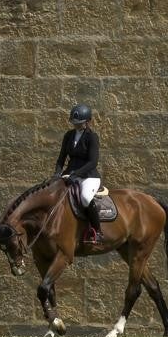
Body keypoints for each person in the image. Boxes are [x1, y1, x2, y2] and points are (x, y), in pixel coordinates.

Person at [55, 103, 103, 245]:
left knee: (85, 198)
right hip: (70, 175)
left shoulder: (92, 137)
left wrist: (76, 174)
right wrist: (57, 173)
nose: (76, 126)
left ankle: (97, 231)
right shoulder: (68, 135)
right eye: (74, 123)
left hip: (89, 176)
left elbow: (93, 162)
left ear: (88, 122)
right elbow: (61, 158)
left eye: (79, 123)